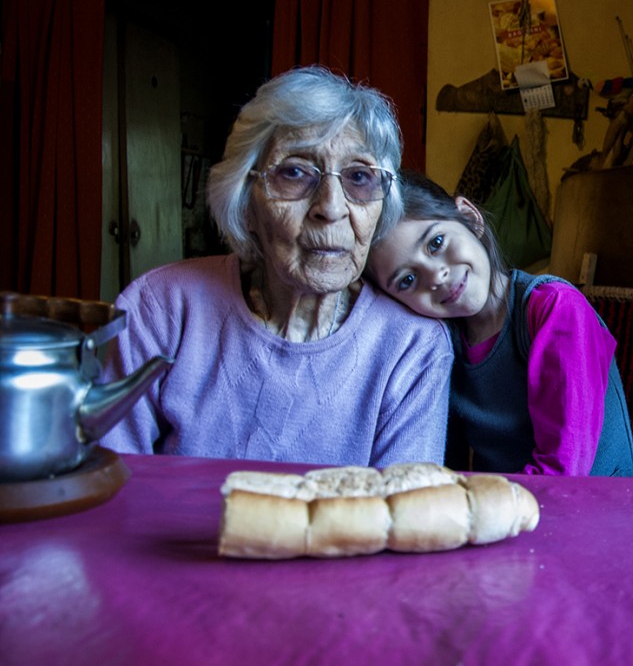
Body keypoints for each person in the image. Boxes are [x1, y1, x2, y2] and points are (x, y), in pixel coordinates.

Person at [102, 66, 453, 467]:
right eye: (295, 172)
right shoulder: (160, 308)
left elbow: (402, 520)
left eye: (359, 177)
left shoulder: (411, 346)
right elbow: (108, 485)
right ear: (245, 201)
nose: (331, 207)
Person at [366, 170, 633, 477]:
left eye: (436, 243)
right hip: (507, 510)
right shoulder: (442, 343)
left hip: (596, 512)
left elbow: (565, 469)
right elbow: (445, 463)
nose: (437, 276)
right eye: (408, 280)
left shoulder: (554, 308)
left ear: (470, 217)